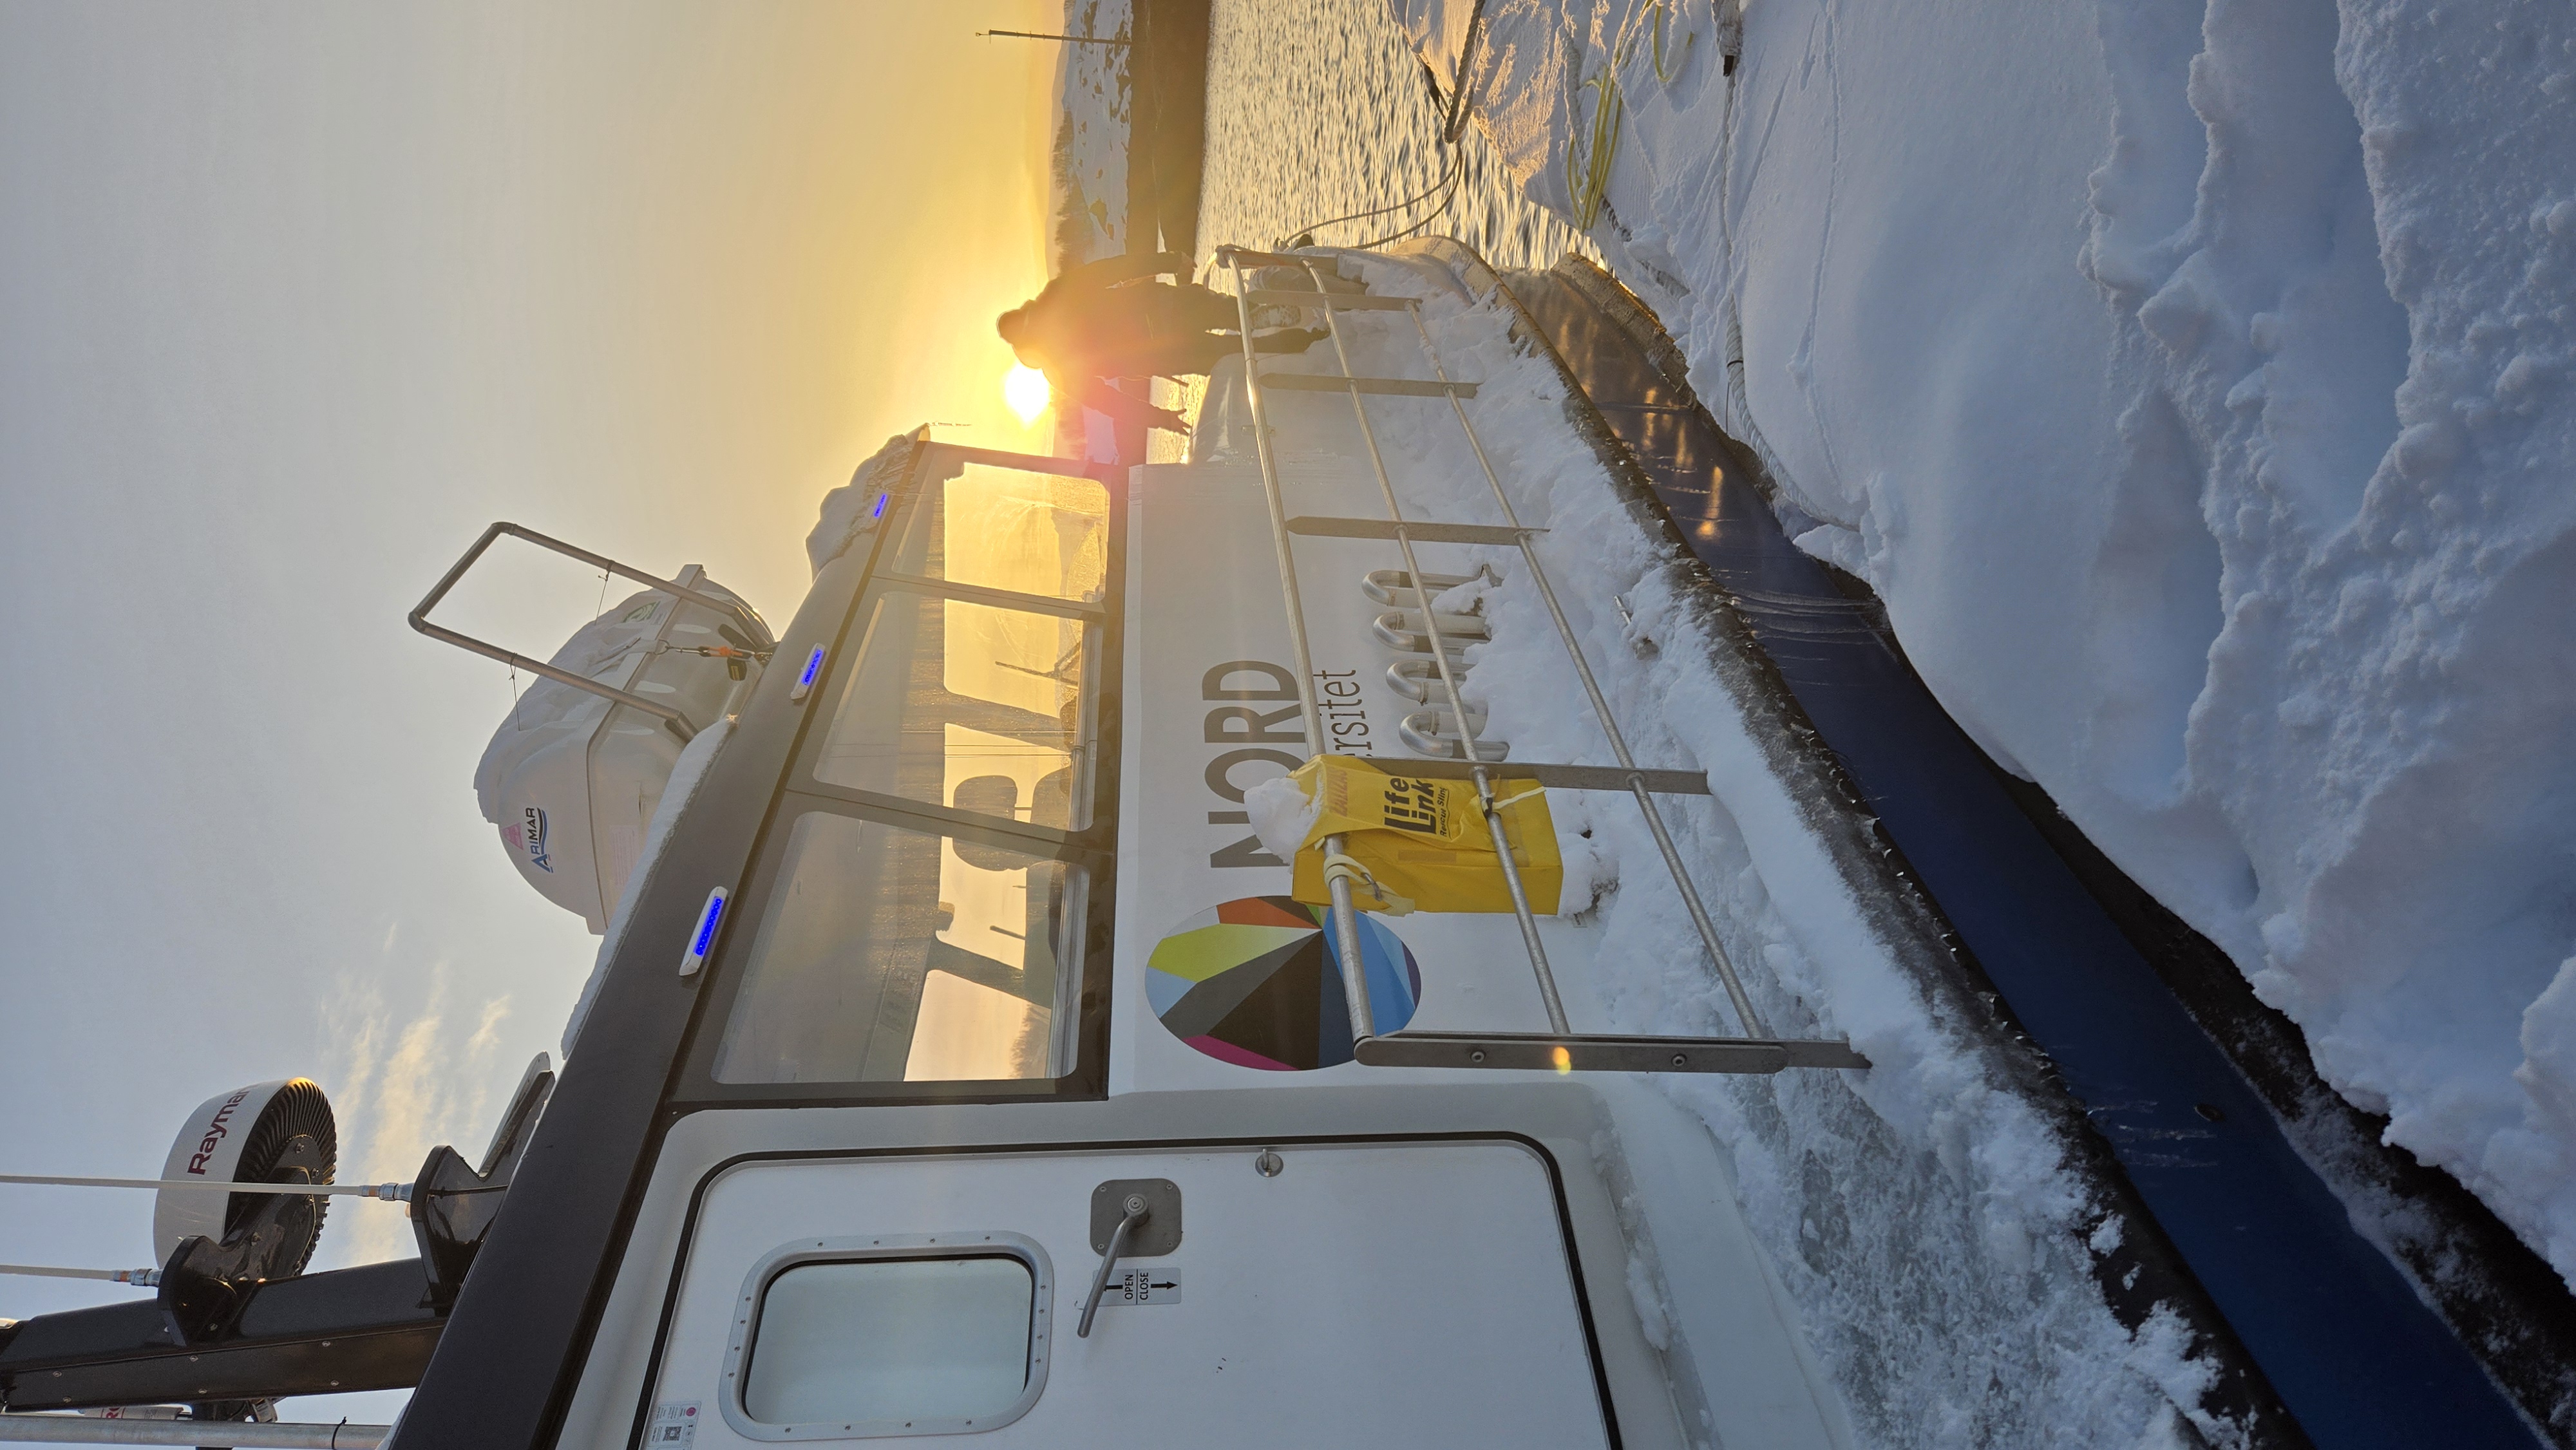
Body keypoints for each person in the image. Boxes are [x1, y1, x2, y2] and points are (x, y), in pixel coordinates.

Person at [998, 250, 1323, 433]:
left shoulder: (1056, 370)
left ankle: (1310, 344)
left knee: (1235, 356)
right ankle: (1285, 313)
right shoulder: (1056, 294)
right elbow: (1111, 269)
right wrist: (1166, 262)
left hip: (1168, 355)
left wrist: (1161, 419)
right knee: (1233, 313)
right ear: (1023, 310)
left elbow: (1106, 402)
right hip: (1165, 306)